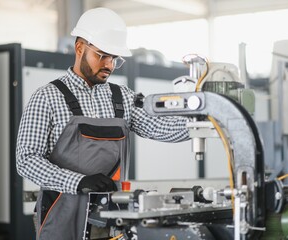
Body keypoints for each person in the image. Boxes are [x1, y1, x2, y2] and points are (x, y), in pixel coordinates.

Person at [16, 7, 189, 240]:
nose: (108, 64)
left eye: (114, 58)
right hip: (60, 212)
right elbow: (26, 160)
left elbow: (159, 127)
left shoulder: (122, 97)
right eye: (102, 55)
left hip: (107, 215)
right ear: (79, 48)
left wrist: (204, 123)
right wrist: (78, 182)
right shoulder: (47, 97)